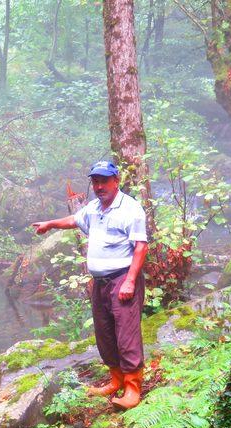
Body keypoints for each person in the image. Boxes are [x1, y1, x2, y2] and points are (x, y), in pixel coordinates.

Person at [32, 161, 149, 410]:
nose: (98, 186)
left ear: (116, 181)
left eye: (103, 181)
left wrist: (130, 281)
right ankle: (115, 380)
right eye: (95, 181)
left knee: (126, 334)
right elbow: (74, 220)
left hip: (122, 278)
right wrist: (50, 224)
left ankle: (132, 387)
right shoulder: (94, 208)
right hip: (100, 283)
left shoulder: (130, 209)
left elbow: (141, 246)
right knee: (104, 333)